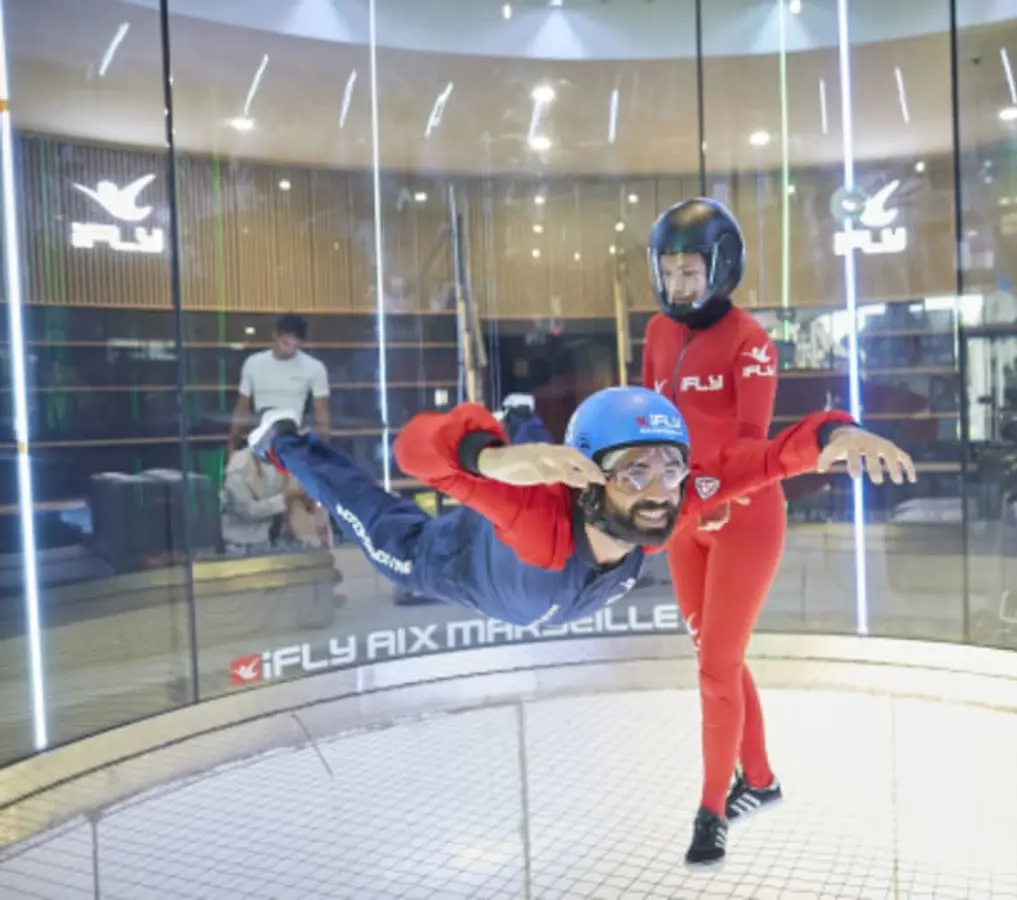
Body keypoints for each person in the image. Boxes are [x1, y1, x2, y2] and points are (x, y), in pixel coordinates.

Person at [247, 385, 914, 865]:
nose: (658, 490)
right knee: (375, 527)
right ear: (593, 480)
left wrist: (837, 435)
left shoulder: (669, 509)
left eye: (671, 466)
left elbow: (773, 458)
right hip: (456, 559)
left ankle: (520, 422)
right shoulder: (535, 521)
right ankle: (283, 441)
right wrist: (487, 458)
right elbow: (418, 452)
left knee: (571, 466)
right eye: (634, 471)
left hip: (540, 526)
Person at [641, 197, 796, 863]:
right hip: (683, 521)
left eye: (690, 273)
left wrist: (703, 495)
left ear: (721, 268)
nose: (677, 287)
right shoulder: (656, 333)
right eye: (668, 273)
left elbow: (747, 448)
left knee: (714, 669)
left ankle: (711, 811)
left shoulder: (751, 343)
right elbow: (652, 421)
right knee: (718, 657)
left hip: (743, 516)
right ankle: (759, 781)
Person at [227, 314, 332, 458]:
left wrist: (324, 450)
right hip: (260, 436)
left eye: (295, 346)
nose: (290, 350)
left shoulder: (314, 368)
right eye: (286, 343)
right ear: (275, 335)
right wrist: (232, 443)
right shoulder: (253, 363)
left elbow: (322, 412)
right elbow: (242, 408)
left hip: (295, 438)